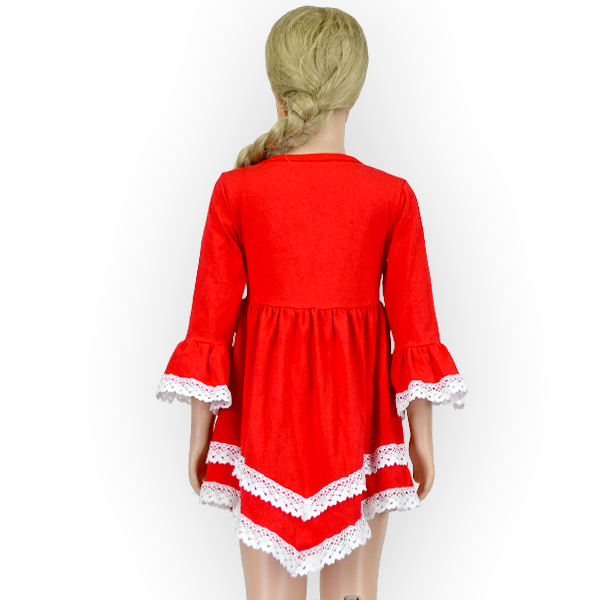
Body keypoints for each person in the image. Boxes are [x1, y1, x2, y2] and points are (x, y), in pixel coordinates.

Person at [156, 6, 468, 599]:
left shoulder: (236, 191)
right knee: (355, 591)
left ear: (278, 93)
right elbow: (416, 328)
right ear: (355, 91)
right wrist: (422, 435)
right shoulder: (391, 196)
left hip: (264, 424)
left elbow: (209, 325)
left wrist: (199, 432)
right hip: (360, 421)